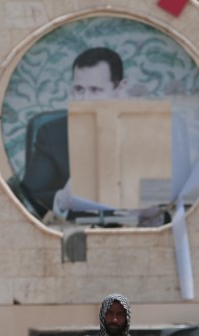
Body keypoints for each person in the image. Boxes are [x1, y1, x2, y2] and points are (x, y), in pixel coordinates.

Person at [21, 47, 127, 216]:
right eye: (79, 89)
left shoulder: (147, 131)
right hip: (75, 233)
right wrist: (61, 200)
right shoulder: (52, 134)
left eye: (95, 90)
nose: (85, 100)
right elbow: (29, 197)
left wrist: (154, 211)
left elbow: (167, 196)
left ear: (120, 89)